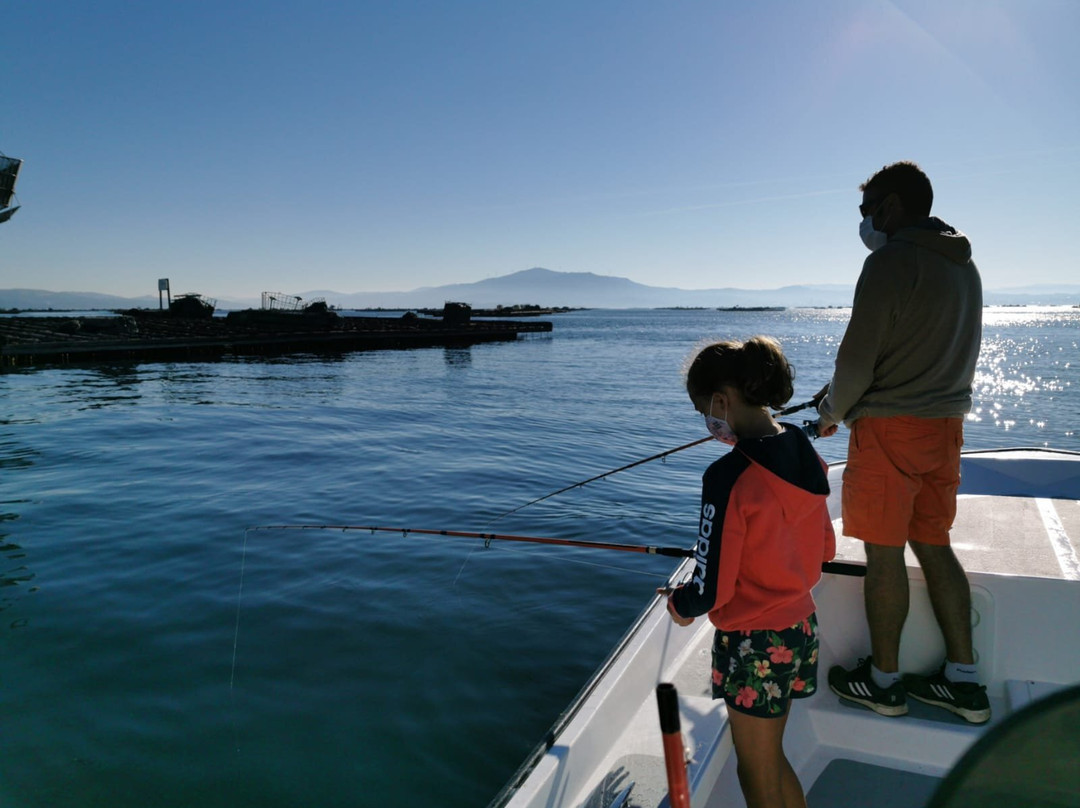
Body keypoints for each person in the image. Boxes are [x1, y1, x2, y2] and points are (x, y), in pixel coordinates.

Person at [814, 160, 990, 724]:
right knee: (935, 544)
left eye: (867, 211)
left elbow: (857, 361)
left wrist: (830, 411)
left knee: (884, 554)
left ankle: (883, 683)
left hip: (890, 431)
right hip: (946, 428)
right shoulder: (964, 266)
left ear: (891, 206)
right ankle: (963, 681)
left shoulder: (889, 262)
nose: (865, 223)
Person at [661, 336, 835, 808]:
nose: (707, 420)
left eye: (703, 409)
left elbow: (710, 588)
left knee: (755, 770)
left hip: (754, 644)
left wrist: (679, 604)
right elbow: (825, 548)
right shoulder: (805, 451)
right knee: (772, 759)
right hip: (800, 628)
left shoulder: (726, 477)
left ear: (722, 401)